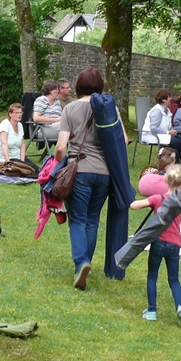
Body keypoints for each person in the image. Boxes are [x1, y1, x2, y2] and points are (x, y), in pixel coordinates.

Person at [56, 67, 114, 290]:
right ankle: (84, 263)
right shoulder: (110, 109)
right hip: (104, 173)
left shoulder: (70, 109)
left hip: (79, 170)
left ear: (78, 85)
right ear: (100, 86)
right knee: (92, 220)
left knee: (78, 220)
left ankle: (82, 262)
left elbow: (61, 147)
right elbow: (124, 140)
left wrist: (56, 162)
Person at [129, 164, 181, 329]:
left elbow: (134, 206)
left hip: (158, 242)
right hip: (175, 245)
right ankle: (180, 306)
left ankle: (151, 311)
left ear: (165, 180)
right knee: (174, 279)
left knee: (152, 276)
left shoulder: (158, 199)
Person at [142, 89, 181, 166]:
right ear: (163, 100)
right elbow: (153, 127)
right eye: (168, 97)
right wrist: (168, 132)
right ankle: (176, 164)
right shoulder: (157, 111)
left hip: (163, 134)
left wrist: (172, 130)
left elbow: (167, 125)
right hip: (151, 135)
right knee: (176, 142)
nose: (170, 99)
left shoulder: (167, 110)